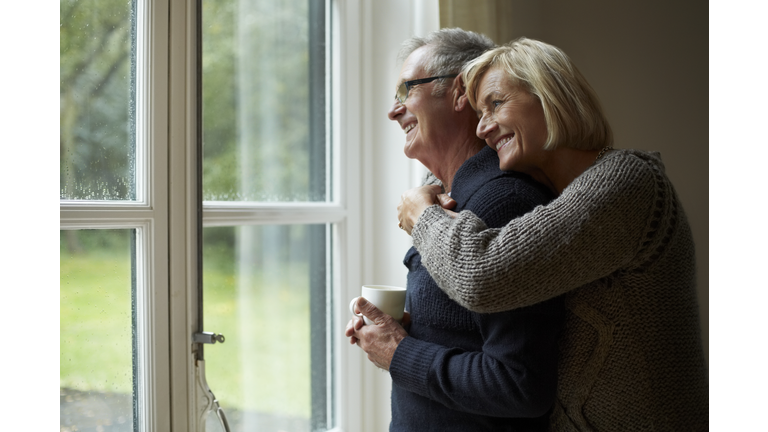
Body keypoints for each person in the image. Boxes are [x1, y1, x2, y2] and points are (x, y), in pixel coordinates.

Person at [389, 38, 709, 431]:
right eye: (478, 111)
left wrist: (422, 216)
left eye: (495, 103)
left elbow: (483, 276)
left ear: (550, 94)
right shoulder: (557, 200)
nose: (484, 125)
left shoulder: (628, 183)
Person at [346, 29, 564, 431]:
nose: (394, 112)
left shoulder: (503, 203)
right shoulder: (449, 198)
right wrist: (401, 335)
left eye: (407, 91)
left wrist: (399, 353)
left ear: (461, 91)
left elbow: (520, 386)